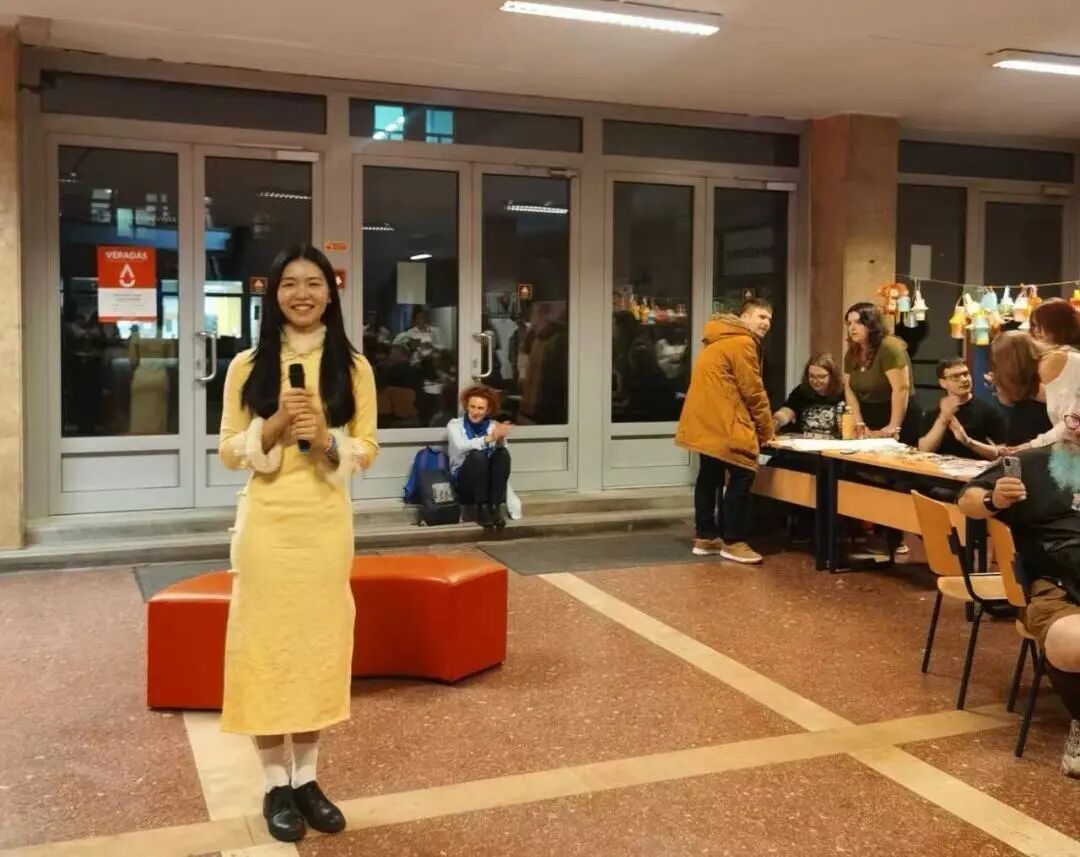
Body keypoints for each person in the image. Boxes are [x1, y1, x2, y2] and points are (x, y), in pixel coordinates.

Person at [218, 245, 378, 843]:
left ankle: (307, 778)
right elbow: (229, 449)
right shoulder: (247, 365)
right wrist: (276, 426)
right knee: (265, 645)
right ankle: (273, 784)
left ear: (330, 294)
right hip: (266, 526)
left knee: (316, 644)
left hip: (324, 525)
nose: (302, 294)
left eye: (313, 283)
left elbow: (367, 446)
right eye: (290, 283)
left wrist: (330, 442)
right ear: (274, 293)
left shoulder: (353, 367)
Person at [957, 392, 1080, 778]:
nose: (1076, 428)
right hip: (1055, 588)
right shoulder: (1033, 462)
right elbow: (967, 500)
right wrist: (994, 500)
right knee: (1071, 640)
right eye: (1074, 419)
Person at [675, 298, 775, 564]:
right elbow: (753, 391)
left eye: (769, 319)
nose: (766, 323)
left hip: (706, 421)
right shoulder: (742, 343)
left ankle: (706, 536)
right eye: (761, 316)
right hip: (725, 421)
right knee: (743, 474)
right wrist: (766, 429)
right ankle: (733, 541)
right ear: (744, 317)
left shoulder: (716, 339)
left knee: (709, 475)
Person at [447, 384, 521, 529]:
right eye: (472, 407)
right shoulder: (454, 425)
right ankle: (481, 509)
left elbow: (499, 455)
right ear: (466, 406)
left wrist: (499, 439)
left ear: (488, 410)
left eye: (480, 408)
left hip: (489, 482)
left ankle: (494, 508)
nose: (475, 412)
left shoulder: (493, 425)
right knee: (477, 456)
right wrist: (487, 439)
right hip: (465, 483)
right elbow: (462, 446)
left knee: (502, 454)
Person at [842, 302, 913, 441]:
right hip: (867, 414)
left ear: (872, 324)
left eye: (859, 322)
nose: (852, 328)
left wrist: (893, 426)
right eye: (849, 323)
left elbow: (901, 388)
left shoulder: (889, 347)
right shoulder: (852, 352)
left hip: (893, 413)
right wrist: (858, 423)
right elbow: (849, 388)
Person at [917, 356, 1007, 461]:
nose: (964, 380)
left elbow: (1002, 454)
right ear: (943, 383)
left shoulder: (989, 412)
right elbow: (923, 450)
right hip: (939, 469)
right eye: (955, 376)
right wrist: (943, 420)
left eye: (966, 374)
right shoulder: (932, 412)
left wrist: (967, 441)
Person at [989, 331, 1053, 447]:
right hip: (1022, 434)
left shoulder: (1046, 370)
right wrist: (1000, 388)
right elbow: (1008, 402)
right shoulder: (1013, 378)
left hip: (1046, 437)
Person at [773, 352, 844, 435]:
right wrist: (777, 420)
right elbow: (788, 410)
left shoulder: (842, 392)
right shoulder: (801, 390)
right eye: (812, 376)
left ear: (832, 376)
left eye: (821, 377)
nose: (816, 381)